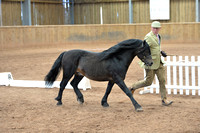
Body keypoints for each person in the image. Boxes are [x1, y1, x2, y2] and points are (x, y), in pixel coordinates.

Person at [129, 21, 173, 106]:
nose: (155, 30)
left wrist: (161, 52)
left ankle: (164, 99)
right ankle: (132, 87)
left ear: (159, 28)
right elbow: (144, 49)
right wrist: (146, 60)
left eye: (157, 28)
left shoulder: (159, 36)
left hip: (159, 62)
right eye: (154, 28)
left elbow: (155, 47)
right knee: (148, 82)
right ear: (151, 28)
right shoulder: (148, 37)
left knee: (162, 80)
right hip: (151, 63)